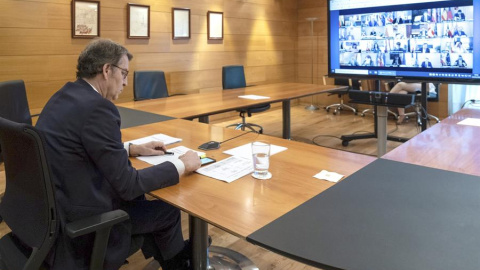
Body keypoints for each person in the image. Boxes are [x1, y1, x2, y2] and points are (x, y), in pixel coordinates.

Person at [36, 39, 201, 270]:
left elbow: (76, 146)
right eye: (124, 73)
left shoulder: (65, 94)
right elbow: (128, 185)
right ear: (106, 70)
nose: (125, 82)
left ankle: (175, 256)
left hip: (54, 206)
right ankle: (178, 263)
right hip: (82, 221)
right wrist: (181, 165)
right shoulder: (99, 108)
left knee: (143, 200)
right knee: (167, 210)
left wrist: (131, 148)